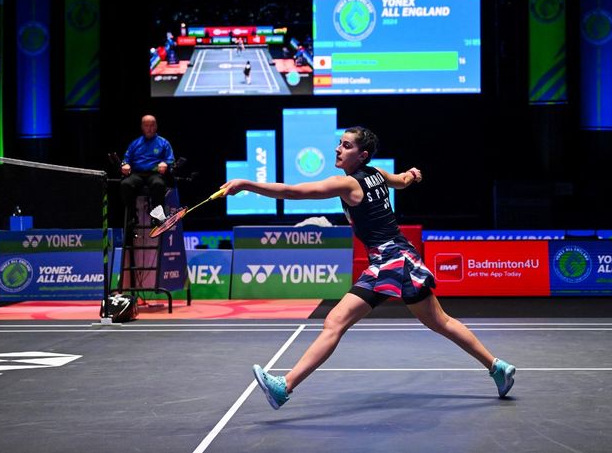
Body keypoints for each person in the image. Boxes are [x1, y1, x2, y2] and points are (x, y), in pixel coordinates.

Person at [220, 126, 516, 410]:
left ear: (362, 155)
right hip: (403, 258)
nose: (338, 149)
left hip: (390, 260)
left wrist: (246, 184)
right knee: (441, 322)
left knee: (336, 321)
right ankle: (497, 367)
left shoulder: (348, 183)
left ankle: (284, 387)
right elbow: (400, 180)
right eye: (340, 143)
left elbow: (294, 192)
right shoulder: (376, 175)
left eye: (346, 146)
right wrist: (411, 175)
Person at [120, 115, 175, 237]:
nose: (149, 128)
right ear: (142, 127)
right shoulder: (135, 144)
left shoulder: (163, 143)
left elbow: (170, 160)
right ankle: (133, 218)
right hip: (137, 174)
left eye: (151, 126)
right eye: (146, 126)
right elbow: (125, 161)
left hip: (155, 174)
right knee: (126, 184)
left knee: (158, 184)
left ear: (155, 126)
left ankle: (156, 217)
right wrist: (125, 166)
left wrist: (165, 164)